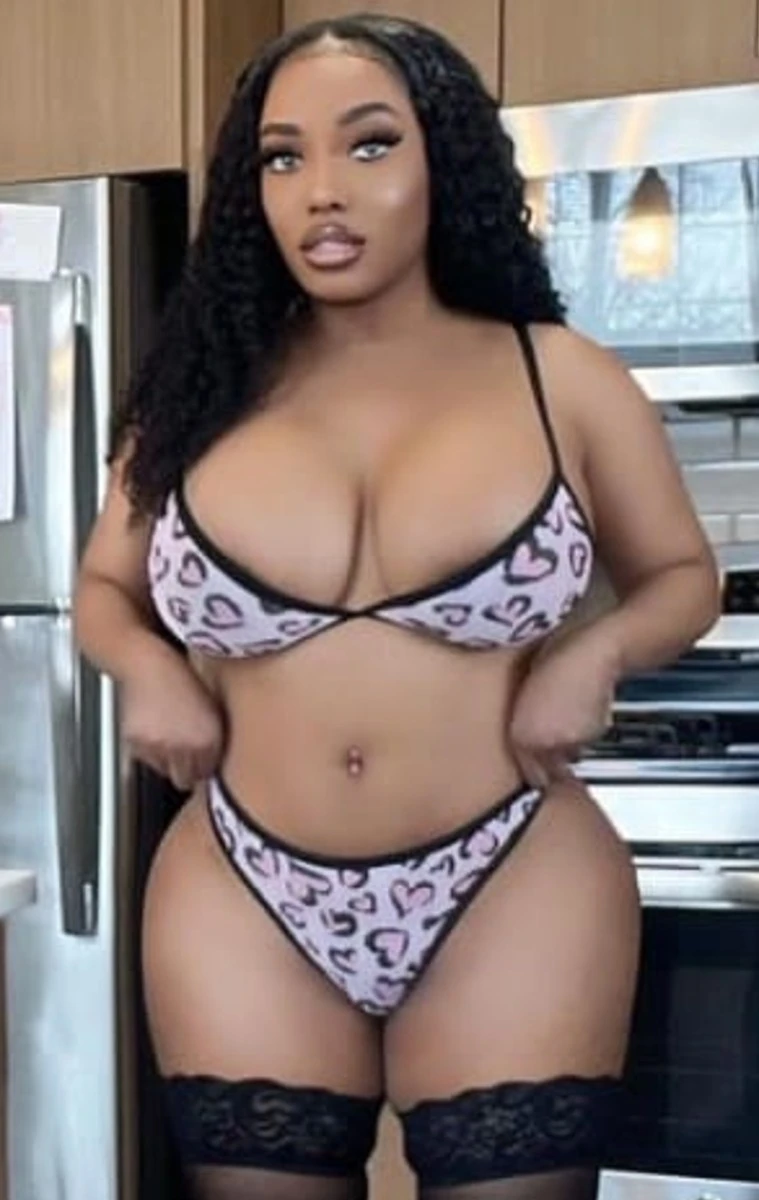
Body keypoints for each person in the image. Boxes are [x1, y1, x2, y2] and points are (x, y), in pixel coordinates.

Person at [73, 12, 719, 1200]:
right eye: (283, 156)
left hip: (512, 873)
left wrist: (596, 656)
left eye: (369, 144)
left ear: (446, 163)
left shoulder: (563, 378)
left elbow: (685, 576)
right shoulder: (199, 389)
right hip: (242, 885)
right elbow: (105, 588)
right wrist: (149, 670)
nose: (323, 189)